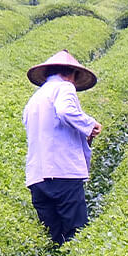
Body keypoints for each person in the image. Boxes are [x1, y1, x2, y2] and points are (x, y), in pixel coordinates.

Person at [23, 50, 102, 244]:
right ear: (70, 74)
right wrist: (90, 125)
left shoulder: (35, 98)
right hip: (63, 173)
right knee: (77, 236)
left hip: (37, 178)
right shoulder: (65, 87)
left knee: (56, 240)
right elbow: (66, 111)